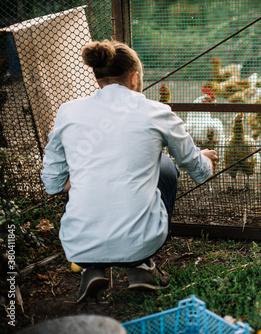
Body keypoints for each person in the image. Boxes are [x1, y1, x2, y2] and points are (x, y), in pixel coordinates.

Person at [41, 40, 218, 302]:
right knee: (165, 165)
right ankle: (141, 265)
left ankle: (92, 268)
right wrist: (206, 160)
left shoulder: (68, 112)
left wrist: (82, 174)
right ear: (134, 78)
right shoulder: (157, 112)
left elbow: (53, 184)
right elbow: (197, 169)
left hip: (78, 244)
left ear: (98, 77)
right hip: (140, 242)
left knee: (87, 175)